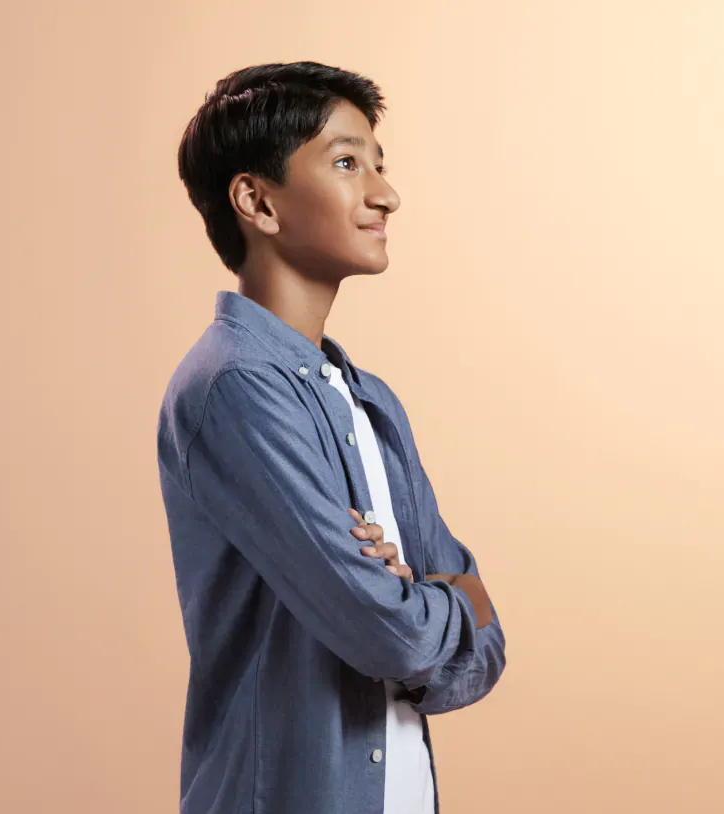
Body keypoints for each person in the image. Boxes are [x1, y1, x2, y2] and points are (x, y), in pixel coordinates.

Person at [156, 61, 507, 814]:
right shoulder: (235, 387)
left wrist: (414, 596)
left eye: (379, 164)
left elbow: (487, 652)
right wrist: (449, 597)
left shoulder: (369, 402)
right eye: (348, 163)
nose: (385, 193)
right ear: (257, 200)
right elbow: (395, 638)